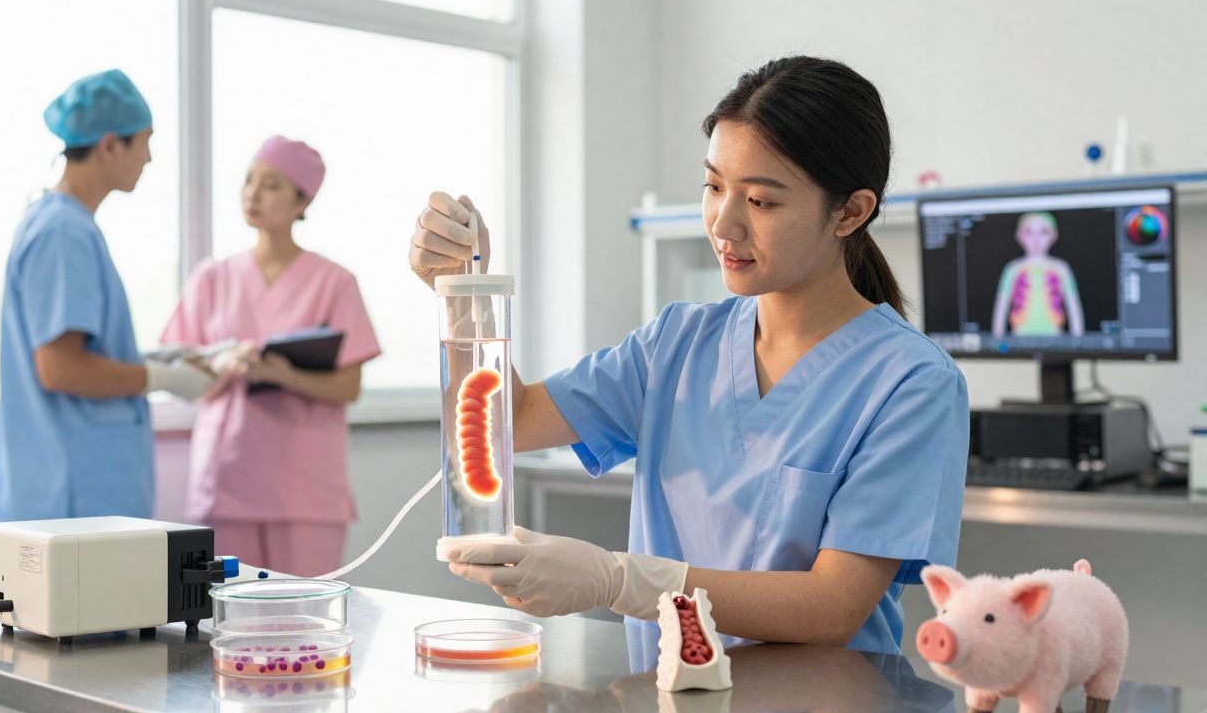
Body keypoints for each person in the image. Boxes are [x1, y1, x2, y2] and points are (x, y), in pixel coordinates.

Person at [409, 56, 969, 654]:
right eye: (714, 186)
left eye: (760, 202)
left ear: (850, 212)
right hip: (670, 707)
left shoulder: (911, 383)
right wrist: (462, 295)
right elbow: (508, 422)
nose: (723, 225)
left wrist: (619, 580)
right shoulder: (676, 344)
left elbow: (831, 607)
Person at [0, 70, 214, 522]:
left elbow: (78, 349)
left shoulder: (67, 225)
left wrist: (161, 358)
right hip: (69, 492)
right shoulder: (62, 232)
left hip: (69, 487)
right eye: (145, 142)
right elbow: (60, 367)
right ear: (110, 145)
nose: (148, 158)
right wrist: (159, 379)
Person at [161, 136, 380, 576]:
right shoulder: (212, 278)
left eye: (272, 185)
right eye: (248, 181)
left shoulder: (334, 282)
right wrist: (223, 364)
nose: (252, 194)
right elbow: (175, 370)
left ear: (304, 199)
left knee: (304, 621)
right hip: (227, 480)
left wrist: (282, 374)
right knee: (228, 620)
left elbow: (348, 386)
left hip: (305, 489)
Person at [990, 212, 1084, 337]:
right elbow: (1001, 309)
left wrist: (1077, 344)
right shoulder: (1012, 269)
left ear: (1054, 235)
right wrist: (997, 345)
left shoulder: (1061, 268)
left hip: (1055, 339)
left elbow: (1073, 308)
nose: (1036, 240)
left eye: (1043, 232)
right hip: (1019, 340)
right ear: (1019, 236)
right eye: (1029, 233)